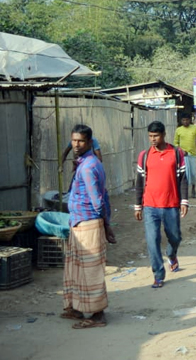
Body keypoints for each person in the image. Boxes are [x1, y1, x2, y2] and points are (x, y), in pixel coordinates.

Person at [61, 124, 111, 329]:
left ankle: (97, 315)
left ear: (90, 142)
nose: (76, 144)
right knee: (76, 269)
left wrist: (107, 226)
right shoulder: (83, 163)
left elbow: (97, 200)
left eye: (80, 141)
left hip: (88, 223)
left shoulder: (89, 166)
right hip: (78, 222)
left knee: (91, 271)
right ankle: (77, 308)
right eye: (74, 140)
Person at [134, 121, 189, 289]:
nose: (153, 139)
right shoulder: (144, 156)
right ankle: (158, 274)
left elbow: (183, 179)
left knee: (175, 237)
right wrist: (137, 205)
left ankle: (171, 255)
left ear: (164, 135)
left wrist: (184, 201)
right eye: (150, 136)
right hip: (150, 206)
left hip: (171, 205)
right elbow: (139, 182)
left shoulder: (177, 153)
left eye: (156, 136)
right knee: (152, 240)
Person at [174, 113, 196, 198]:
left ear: (190, 120)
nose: (185, 122)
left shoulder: (194, 128)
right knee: (185, 174)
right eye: (183, 120)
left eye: (187, 120)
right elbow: (176, 143)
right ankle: (184, 191)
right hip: (182, 155)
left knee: (192, 173)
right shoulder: (178, 130)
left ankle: (193, 189)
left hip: (193, 154)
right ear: (181, 121)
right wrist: (180, 150)